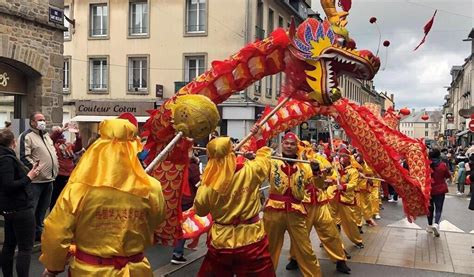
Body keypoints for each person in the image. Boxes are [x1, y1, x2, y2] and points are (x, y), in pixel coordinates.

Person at [39, 118, 166, 276]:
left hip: (89, 271)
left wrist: (54, 266)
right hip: (136, 270)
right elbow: (156, 221)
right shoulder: (151, 187)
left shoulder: (79, 188)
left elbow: (56, 230)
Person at [194, 135, 275, 276]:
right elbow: (265, 158)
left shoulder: (206, 185)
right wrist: (256, 149)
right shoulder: (250, 170)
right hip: (252, 237)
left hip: (222, 240)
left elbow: (200, 211)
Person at [263, 132, 321, 277]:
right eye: (286, 143)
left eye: (292, 144)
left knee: (305, 248)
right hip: (273, 211)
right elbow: (258, 169)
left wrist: (316, 171)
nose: (289, 146)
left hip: (296, 212)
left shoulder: (305, 166)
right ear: (282, 144)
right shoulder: (272, 161)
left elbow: (319, 185)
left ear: (297, 147)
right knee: (269, 248)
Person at [0, 128, 41, 277]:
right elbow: (9, 185)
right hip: (19, 208)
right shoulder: (6, 159)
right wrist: (29, 177)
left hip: (10, 208)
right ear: (13, 142)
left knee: (9, 245)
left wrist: (30, 171)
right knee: (25, 248)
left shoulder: (5, 157)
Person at [17, 112, 59, 242]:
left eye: (44, 120)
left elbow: (52, 153)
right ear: (32, 122)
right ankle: (26, 236)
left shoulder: (46, 136)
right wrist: (36, 170)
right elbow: (23, 157)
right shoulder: (26, 136)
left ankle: (37, 234)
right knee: (31, 209)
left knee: (42, 211)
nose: (43, 122)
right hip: (35, 181)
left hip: (49, 180)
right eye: (40, 120)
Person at [171, 151, 200, 265]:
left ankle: (178, 251)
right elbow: (197, 184)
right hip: (187, 200)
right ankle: (177, 253)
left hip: (176, 199)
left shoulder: (176, 165)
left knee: (179, 224)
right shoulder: (192, 167)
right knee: (184, 226)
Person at [49, 124, 82, 210]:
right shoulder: (52, 145)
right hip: (59, 175)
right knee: (56, 197)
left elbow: (78, 147)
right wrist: (61, 130)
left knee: (68, 197)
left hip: (69, 175)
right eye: (57, 132)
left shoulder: (67, 144)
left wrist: (78, 135)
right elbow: (51, 139)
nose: (62, 135)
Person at [426, 148, 451, 237]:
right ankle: (436, 224)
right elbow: (448, 175)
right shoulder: (442, 165)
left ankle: (429, 226)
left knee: (429, 208)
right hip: (440, 189)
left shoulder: (426, 165)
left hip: (429, 189)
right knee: (438, 209)